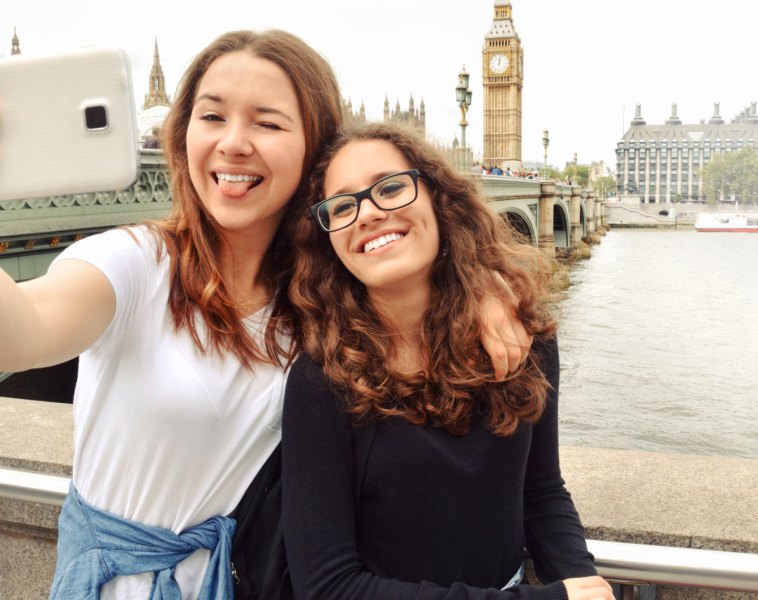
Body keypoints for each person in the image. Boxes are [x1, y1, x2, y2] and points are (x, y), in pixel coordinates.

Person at [0, 30, 528, 599]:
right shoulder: (135, 262)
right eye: (211, 116)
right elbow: (23, 333)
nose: (233, 143)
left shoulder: (324, 297)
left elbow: (428, 267)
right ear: (182, 137)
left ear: (314, 151)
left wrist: (483, 290)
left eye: (268, 123)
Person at [281, 123, 613, 600]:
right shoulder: (324, 380)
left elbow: (540, 493)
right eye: (342, 205)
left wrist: (585, 582)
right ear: (329, 238)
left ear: (438, 199)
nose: (368, 213)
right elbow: (328, 587)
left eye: (391, 186)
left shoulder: (524, 341)